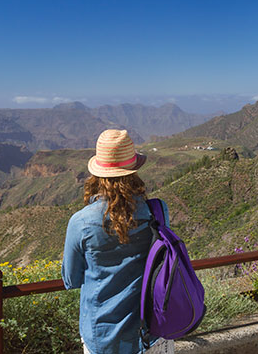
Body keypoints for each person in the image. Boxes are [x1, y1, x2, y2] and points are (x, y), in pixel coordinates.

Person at [62, 129, 174, 354]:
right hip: (152, 332)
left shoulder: (81, 222)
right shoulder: (158, 211)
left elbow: (71, 279)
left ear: (98, 174)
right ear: (134, 171)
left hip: (102, 337)